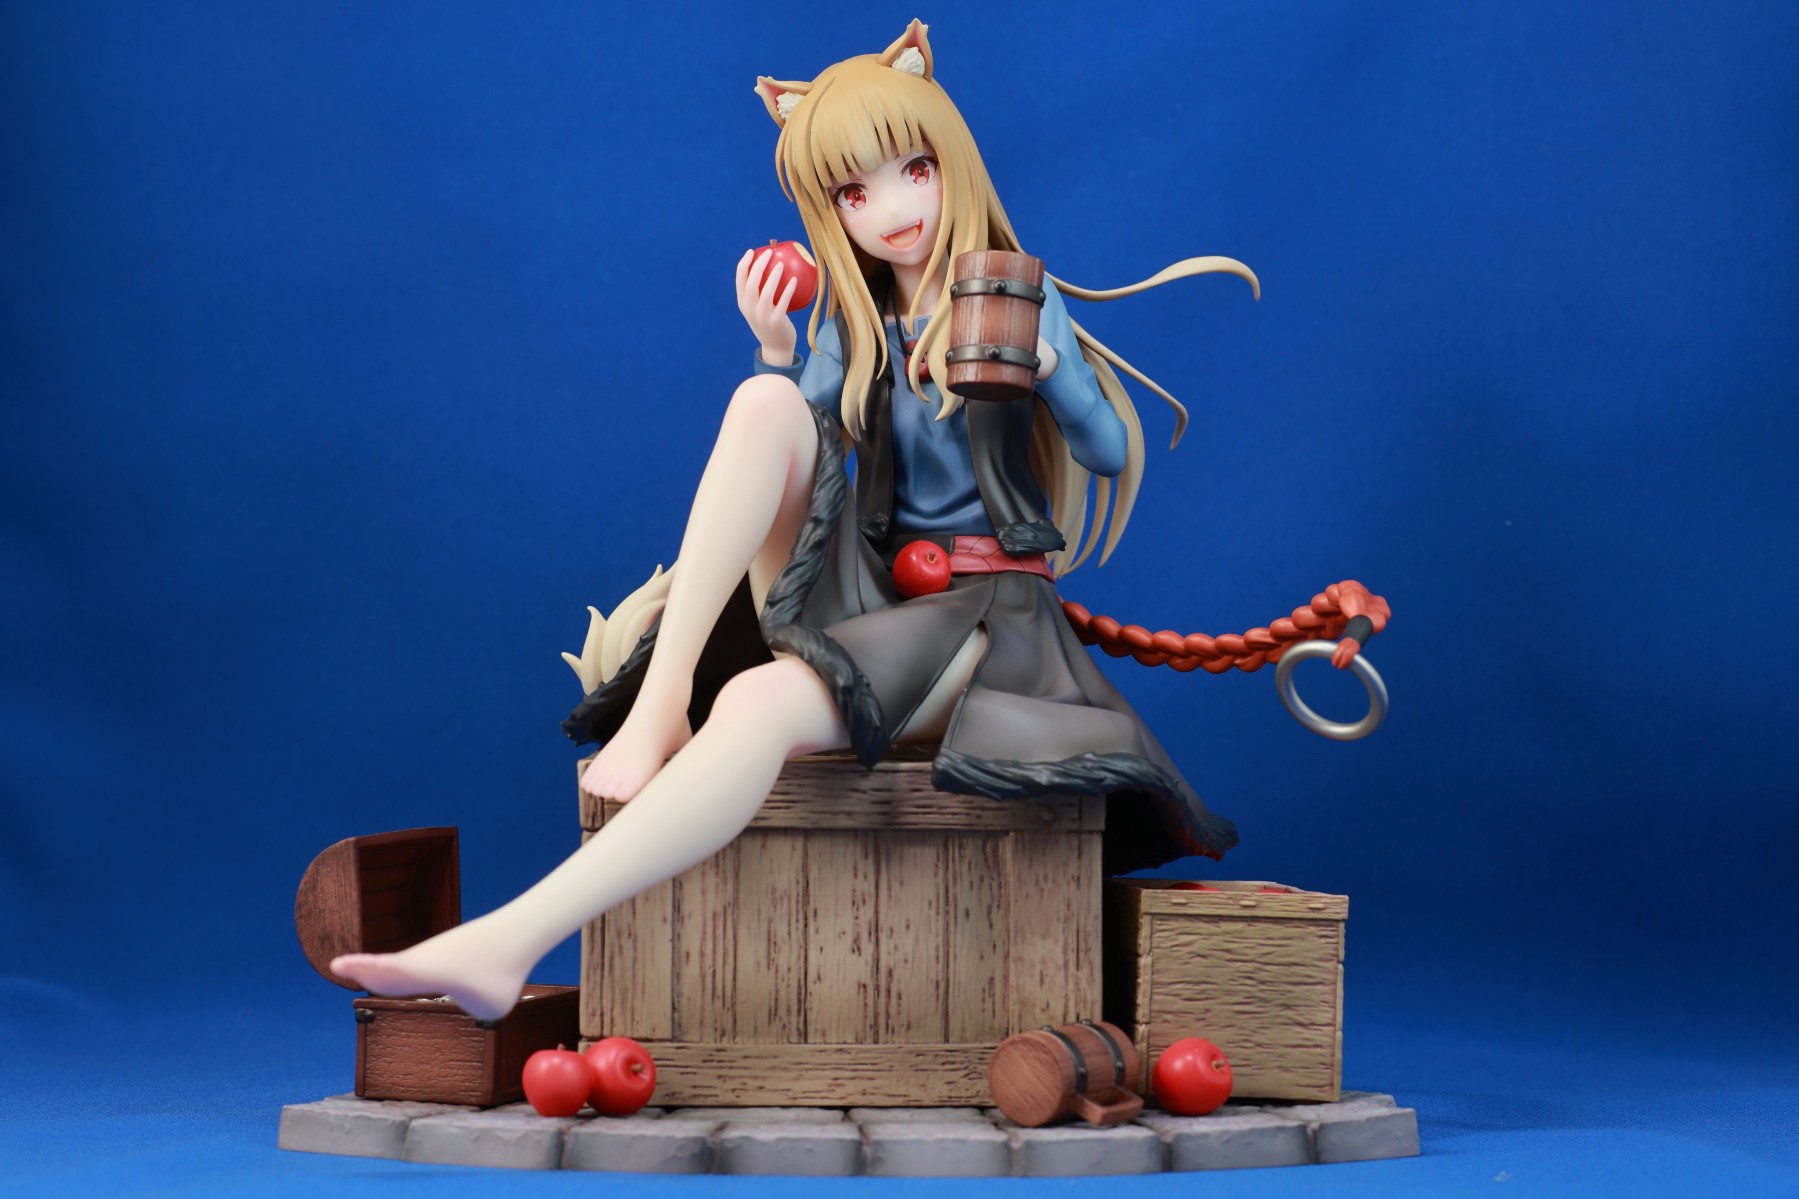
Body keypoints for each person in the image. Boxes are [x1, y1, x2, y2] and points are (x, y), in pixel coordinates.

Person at [332, 20, 1258, 1022]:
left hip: (983, 618)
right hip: (872, 593)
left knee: (758, 704)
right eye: (854, 194)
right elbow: (793, 451)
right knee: (761, 398)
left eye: (912, 171)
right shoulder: (853, 324)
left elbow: (1107, 450)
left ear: (950, 161)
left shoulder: (1012, 300)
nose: (892, 211)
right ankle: (662, 700)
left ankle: (508, 940)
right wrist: (776, 349)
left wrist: (1049, 376)